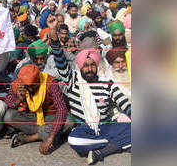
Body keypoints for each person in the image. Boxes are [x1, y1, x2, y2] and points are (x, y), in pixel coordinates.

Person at [46, 16, 131, 164]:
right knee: (74, 140)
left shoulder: (107, 83)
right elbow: (60, 62)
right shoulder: (73, 80)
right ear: (80, 66)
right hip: (85, 130)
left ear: (97, 65)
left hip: (107, 127)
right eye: (86, 65)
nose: (90, 68)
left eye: (93, 65)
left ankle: (101, 151)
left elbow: (124, 103)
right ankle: (121, 143)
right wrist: (53, 35)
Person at [3, 65, 69, 155]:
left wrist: (50, 138)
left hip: (50, 116)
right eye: (27, 86)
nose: (30, 89)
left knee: (69, 121)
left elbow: (61, 109)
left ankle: (31, 137)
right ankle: (45, 133)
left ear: (38, 79)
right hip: (32, 117)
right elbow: (8, 102)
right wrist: (19, 100)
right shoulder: (18, 84)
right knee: (8, 116)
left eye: (33, 86)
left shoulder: (50, 83)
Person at [105, 49, 131, 122]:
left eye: (123, 62)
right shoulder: (108, 79)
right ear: (111, 63)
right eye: (117, 63)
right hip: (121, 118)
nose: (121, 66)